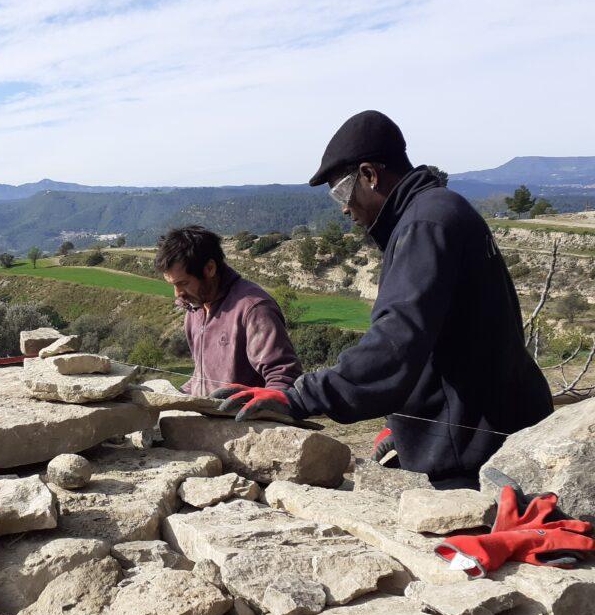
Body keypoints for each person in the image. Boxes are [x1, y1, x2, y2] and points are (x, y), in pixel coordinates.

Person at [214, 110, 553, 487]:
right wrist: (402, 424)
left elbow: (396, 341)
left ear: (370, 175)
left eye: (341, 192)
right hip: (485, 430)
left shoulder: (426, 224)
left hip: (476, 451)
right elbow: (447, 336)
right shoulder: (441, 211)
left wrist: (296, 398)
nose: (344, 207)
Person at [155, 225, 302, 404]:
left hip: (243, 425)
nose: (177, 293)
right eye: (173, 285)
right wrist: (175, 396)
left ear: (209, 268)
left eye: (183, 283)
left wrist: (257, 411)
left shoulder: (253, 308)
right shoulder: (195, 308)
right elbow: (202, 378)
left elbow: (283, 378)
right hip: (207, 421)